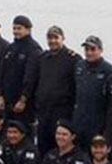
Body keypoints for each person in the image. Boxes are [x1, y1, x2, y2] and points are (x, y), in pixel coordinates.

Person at [30, 26, 80, 156]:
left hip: (62, 111)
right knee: (43, 145)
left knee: (60, 146)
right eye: (50, 38)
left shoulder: (73, 59)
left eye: (56, 38)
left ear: (63, 38)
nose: (53, 41)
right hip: (44, 112)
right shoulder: (42, 58)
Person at [0, 15, 42, 130]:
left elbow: (31, 77)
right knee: (8, 131)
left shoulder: (33, 49)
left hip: (24, 103)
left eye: (19, 28)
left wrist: (23, 99)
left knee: (22, 131)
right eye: (14, 28)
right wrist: (0, 95)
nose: (16, 31)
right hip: (7, 101)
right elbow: (1, 72)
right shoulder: (10, 48)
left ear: (28, 29)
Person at [73, 35, 112, 147]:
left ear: (100, 50)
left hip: (98, 125)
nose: (89, 53)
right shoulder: (80, 66)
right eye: (86, 49)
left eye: (93, 49)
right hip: (79, 123)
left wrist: (106, 129)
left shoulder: (109, 71)